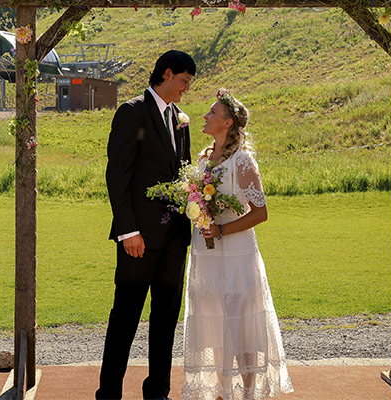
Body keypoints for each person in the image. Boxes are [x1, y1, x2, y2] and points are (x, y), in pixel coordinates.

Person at [181, 89, 293, 400]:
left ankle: (246, 394)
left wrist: (221, 229)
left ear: (228, 122)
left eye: (212, 113)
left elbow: (261, 213)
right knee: (215, 324)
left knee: (240, 327)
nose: (205, 116)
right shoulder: (204, 158)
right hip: (206, 254)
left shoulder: (242, 161)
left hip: (236, 254)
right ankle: (220, 391)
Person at [97, 50, 196, 400]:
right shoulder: (132, 112)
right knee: (125, 317)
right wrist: (128, 231)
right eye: (184, 81)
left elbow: (184, 175)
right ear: (167, 74)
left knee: (166, 318)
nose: (186, 89)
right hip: (137, 237)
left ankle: (158, 393)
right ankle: (108, 394)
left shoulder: (180, 119)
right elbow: (117, 175)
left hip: (175, 237)